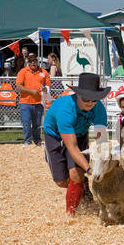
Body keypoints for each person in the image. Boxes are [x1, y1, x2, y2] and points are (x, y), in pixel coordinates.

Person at [43, 72, 110, 216]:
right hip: (54, 135)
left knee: (76, 173)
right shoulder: (66, 109)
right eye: (86, 98)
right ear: (78, 94)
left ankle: (71, 215)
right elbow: (72, 147)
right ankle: (82, 186)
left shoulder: (99, 109)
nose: (90, 103)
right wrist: (89, 169)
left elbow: (101, 141)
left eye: (94, 99)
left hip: (79, 134)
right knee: (61, 182)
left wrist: (107, 162)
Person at [16, 53, 51, 147]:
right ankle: (27, 141)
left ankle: (37, 141)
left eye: (34, 60)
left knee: (37, 124)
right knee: (26, 122)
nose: (32, 62)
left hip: (39, 102)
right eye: (30, 61)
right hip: (25, 102)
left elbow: (48, 86)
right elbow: (18, 86)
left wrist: (45, 89)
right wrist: (31, 92)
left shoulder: (44, 72)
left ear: (37, 61)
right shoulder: (23, 72)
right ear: (28, 62)